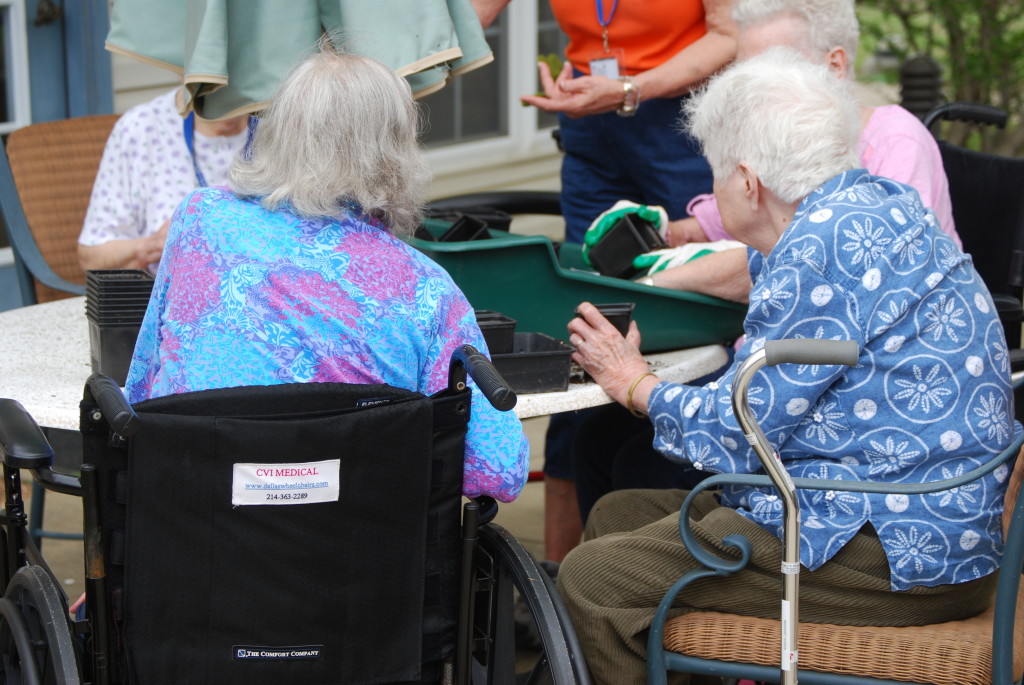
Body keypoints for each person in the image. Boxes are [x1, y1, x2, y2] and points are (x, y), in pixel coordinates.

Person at [558, 48, 1019, 684]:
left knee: (592, 578)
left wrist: (636, 384)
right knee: (618, 514)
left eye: (715, 173)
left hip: (894, 553)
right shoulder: (872, 203)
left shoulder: (817, 252)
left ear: (748, 182)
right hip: (936, 525)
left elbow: (737, 433)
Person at [569, 0, 971, 526]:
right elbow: (730, 228)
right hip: (870, 466)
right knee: (607, 449)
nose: (747, 90)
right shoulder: (845, 199)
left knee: (623, 507)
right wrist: (670, 232)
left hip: (866, 503)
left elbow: (738, 430)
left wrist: (637, 374)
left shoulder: (837, 224)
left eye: (768, 73)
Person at [124, 40, 530, 504]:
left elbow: (144, 390)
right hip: (355, 560)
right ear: (396, 152)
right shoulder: (426, 290)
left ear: (277, 130)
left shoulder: (201, 220)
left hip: (192, 532)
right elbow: (497, 473)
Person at [519, 0, 738, 564]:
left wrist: (629, 90)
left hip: (675, 114)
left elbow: (728, 33)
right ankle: (557, 585)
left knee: (679, 314)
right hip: (589, 118)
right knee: (584, 318)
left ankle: (674, 553)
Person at [649, 0, 961, 299]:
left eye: (769, 70)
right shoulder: (777, 137)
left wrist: (657, 282)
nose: (746, 90)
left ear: (834, 66)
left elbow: (828, 260)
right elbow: (712, 224)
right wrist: (658, 230)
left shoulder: (897, 142)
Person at [77, 89, 250, 272]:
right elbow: (92, 257)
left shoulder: (276, 120)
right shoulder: (141, 127)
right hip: (170, 295)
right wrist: (154, 245)